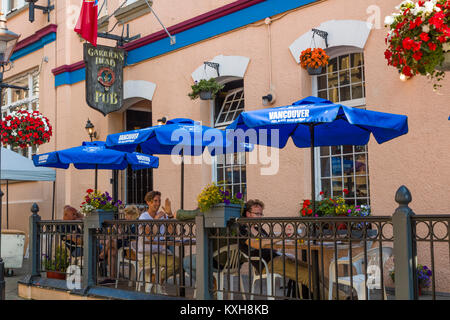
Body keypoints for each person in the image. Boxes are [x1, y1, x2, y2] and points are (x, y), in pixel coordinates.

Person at [239, 199, 312, 297]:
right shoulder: (242, 230)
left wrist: (286, 237)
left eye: (261, 214)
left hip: (277, 257)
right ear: (248, 214)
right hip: (267, 264)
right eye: (257, 214)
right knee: (309, 276)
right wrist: (282, 236)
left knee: (312, 270)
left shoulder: (259, 229)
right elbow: (258, 245)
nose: (260, 217)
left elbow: (271, 244)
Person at [133, 191, 180, 290]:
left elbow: (173, 233)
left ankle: (154, 281)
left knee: (180, 264)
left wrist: (170, 214)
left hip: (159, 252)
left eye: (159, 201)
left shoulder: (162, 216)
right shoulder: (144, 217)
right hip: (146, 255)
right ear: (148, 202)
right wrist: (156, 220)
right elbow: (151, 237)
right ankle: (156, 282)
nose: (158, 204)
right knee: (177, 263)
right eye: (155, 201)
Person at [98, 205, 140, 285]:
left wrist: (121, 234)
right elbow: (126, 236)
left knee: (112, 241)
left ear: (131, 215)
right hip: (126, 245)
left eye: (126, 215)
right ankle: (112, 278)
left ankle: (101, 255)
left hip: (131, 248)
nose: (125, 216)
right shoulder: (130, 224)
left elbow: (133, 238)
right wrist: (120, 231)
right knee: (111, 251)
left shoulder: (136, 224)